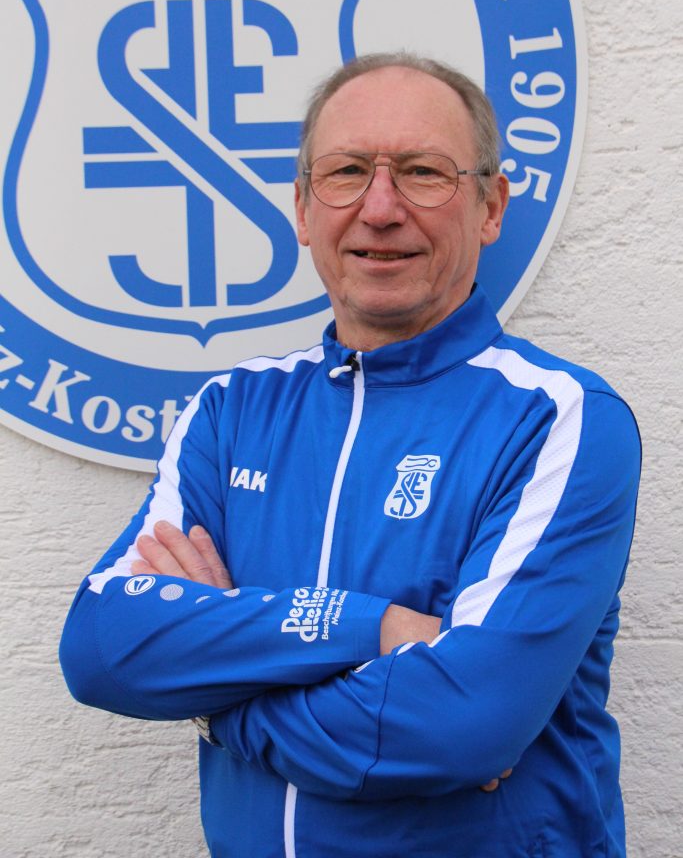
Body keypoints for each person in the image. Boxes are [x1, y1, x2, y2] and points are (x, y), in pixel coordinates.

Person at [60, 54, 640, 858]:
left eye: (422, 172)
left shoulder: (556, 417)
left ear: (490, 206)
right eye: (345, 172)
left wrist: (215, 702)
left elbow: (463, 722)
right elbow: (102, 647)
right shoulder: (232, 411)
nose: (379, 208)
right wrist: (371, 626)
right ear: (303, 208)